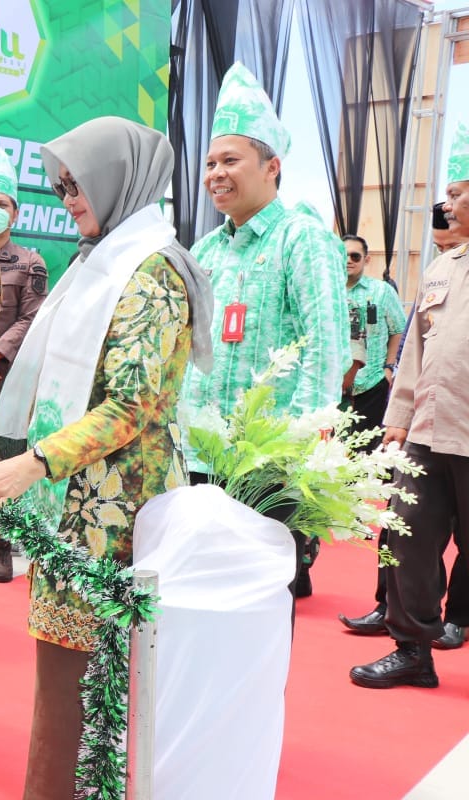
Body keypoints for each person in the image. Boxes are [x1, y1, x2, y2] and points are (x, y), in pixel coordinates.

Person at [0, 117, 211, 800]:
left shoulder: (150, 272)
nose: (68, 197)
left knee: (90, 692)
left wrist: (32, 462)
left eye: (77, 184)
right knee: (62, 684)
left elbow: (130, 406)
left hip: (115, 516)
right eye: (61, 185)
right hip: (76, 508)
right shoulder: (98, 262)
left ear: (116, 180)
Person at [177, 63, 351, 602]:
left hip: (263, 465)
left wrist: (292, 454)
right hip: (198, 456)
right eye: (209, 163)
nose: (215, 174)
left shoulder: (302, 239)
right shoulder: (204, 249)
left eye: (230, 160)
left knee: (257, 605)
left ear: (272, 166)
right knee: (198, 597)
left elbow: (327, 348)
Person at [350, 122, 469, 689]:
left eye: (458, 192)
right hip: (426, 434)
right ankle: (411, 650)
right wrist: (397, 420)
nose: (448, 203)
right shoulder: (441, 268)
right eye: (448, 193)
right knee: (408, 539)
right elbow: (415, 356)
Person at [0, 146, 49, 583]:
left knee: (4, 457)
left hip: (7, 379)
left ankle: (0, 548)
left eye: (2, 204)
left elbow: (33, 317)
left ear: (15, 214)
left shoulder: (29, 262)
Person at [339, 234, 405, 452]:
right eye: (343, 254)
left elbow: (398, 330)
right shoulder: (327, 290)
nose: (348, 260)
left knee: (365, 451)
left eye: (355, 256)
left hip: (371, 383)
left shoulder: (382, 291)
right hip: (333, 388)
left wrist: (389, 367)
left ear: (366, 260)